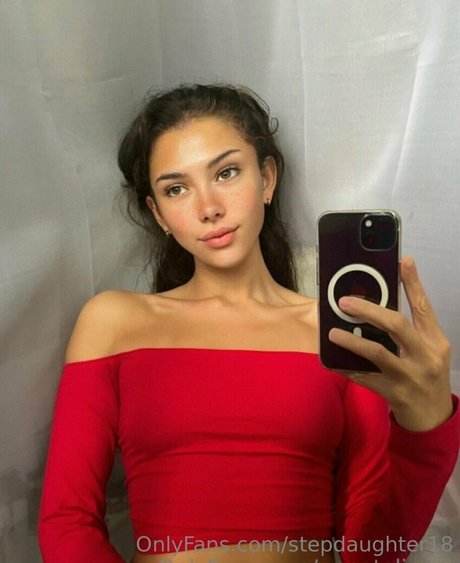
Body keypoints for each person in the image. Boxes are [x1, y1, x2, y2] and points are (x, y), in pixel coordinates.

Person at [37, 83, 460, 563]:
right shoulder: (113, 322)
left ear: (268, 178)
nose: (208, 208)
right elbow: (67, 522)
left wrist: (427, 428)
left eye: (226, 172)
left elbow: (371, 550)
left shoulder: (336, 331)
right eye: (176, 189)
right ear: (158, 213)